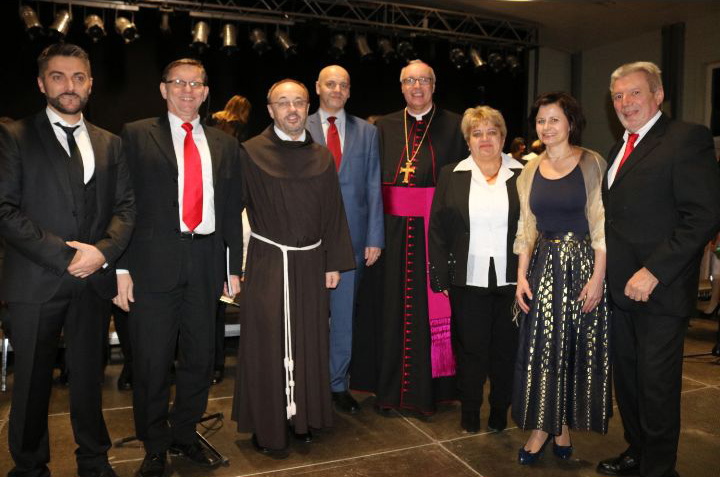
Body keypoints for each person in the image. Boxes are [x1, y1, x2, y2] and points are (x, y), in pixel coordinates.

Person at [0, 43, 135, 477]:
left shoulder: (111, 143)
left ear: (90, 84)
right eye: (58, 77)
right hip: (35, 281)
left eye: (78, 77)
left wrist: (102, 252)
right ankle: (29, 466)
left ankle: (94, 460)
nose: (69, 86)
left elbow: (126, 208)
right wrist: (67, 256)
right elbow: (4, 210)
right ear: (42, 83)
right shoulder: (14, 136)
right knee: (32, 383)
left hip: (92, 281)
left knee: (89, 379)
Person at [114, 58, 244, 477]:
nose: (188, 90)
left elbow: (231, 209)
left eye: (196, 84)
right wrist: (120, 268)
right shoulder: (136, 135)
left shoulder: (225, 145)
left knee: (201, 357)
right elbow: (121, 204)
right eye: (179, 83)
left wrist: (233, 267)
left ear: (206, 92)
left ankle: (185, 435)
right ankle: (154, 444)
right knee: (151, 360)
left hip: (207, 261)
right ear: (163, 89)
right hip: (152, 264)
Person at [598, 61, 720, 477]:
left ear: (658, 95)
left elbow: (703, 214)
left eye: (635, 92)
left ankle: (660, 469)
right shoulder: (617, 149)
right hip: (620, 290)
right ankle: (638, 451)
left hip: (660, 291)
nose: (625, 103)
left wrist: (654, 270)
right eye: (618, 96)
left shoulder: (686, 138)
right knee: (630, 382)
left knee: (656, 387)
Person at [231, 79, 355, 456]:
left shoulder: (322, 156)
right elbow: (231, 211)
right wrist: (232, 266)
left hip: (311, 262)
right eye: (282, 102)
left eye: (298, 102)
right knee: (268, 341)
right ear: (270, 110)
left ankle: (302, 419)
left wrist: (334, 263)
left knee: (308, 340)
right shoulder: (250, 152)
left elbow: (333, 212)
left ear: (307, 107)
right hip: (269, 261)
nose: (292, 109)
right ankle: (267, 423)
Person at [351, 60, 467, 414]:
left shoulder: (456, 125)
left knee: (433, 312)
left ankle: (432, 392)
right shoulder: (382, 127)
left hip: (436, 234)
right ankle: (387, 390)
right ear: (401, 86)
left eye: (424, 80)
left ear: (434, 85)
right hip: (389, 235)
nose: (417, 86)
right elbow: (368, 182)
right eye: (410, 81)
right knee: (388, 310)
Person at [512, 91, 611, 465]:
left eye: (554, 119)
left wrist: (598, 278)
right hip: (542, 267)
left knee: (573, 349)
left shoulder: (592, 163)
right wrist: (521, 276)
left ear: (571, 122)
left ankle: (560, 425)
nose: (546, 127)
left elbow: (601, 224)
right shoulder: (529, 169)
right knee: (543, 350)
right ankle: (545, 427)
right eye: (541, 120)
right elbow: (526, 226)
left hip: (582, 266)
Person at [428, 106, 522, 434]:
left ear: (503, 137)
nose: (485, 139)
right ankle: (470, 411)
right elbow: (437, 229)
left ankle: (499, 410)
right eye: (477, 133)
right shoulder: (451, 174)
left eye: (492, 132)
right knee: (471, 351)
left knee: (506, 352)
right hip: (466, 279)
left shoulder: (524, 173)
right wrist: (440, 275)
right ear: (467, 140)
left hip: (514, 279)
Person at [306, 65, 384, 414]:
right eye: (330, 83)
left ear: (349, 91)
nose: (336, 89)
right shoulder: (299, 125)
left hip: (352, 242)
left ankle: (337, 384)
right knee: (307, 316)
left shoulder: (368, 132)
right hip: (307, 241)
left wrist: (375, 237)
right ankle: (307, 383)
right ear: (318, 87)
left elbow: (373, 185)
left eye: (343, 85)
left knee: (343, 318)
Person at [208, 94, 253, 385]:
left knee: (216, 306)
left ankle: (215, 364)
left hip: (222, 214)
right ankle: (221, 363)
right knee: (220, 302)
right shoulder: (239, 139)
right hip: (226, 215)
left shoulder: (213, 122)